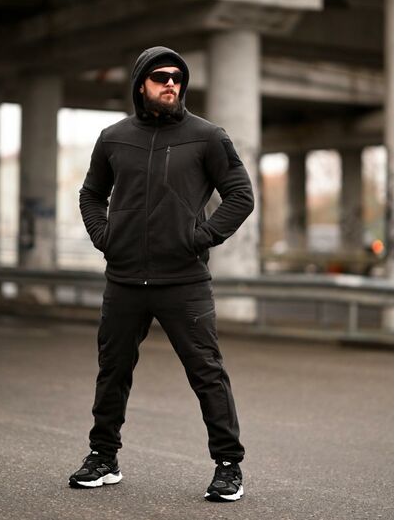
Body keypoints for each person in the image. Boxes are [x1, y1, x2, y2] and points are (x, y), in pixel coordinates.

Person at [69, 46, 254, 502]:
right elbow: (91, 194)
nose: (171, 82)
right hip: (125, 278)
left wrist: (199, 237)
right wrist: (105, 237)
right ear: (140, 85)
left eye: (177, 76)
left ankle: (228, 466)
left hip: (184, 280)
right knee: (112, 371)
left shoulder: (207, 136)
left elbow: (241, 195)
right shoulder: (113, 138)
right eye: (160, 76)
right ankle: (103, 457)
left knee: (207, 372)